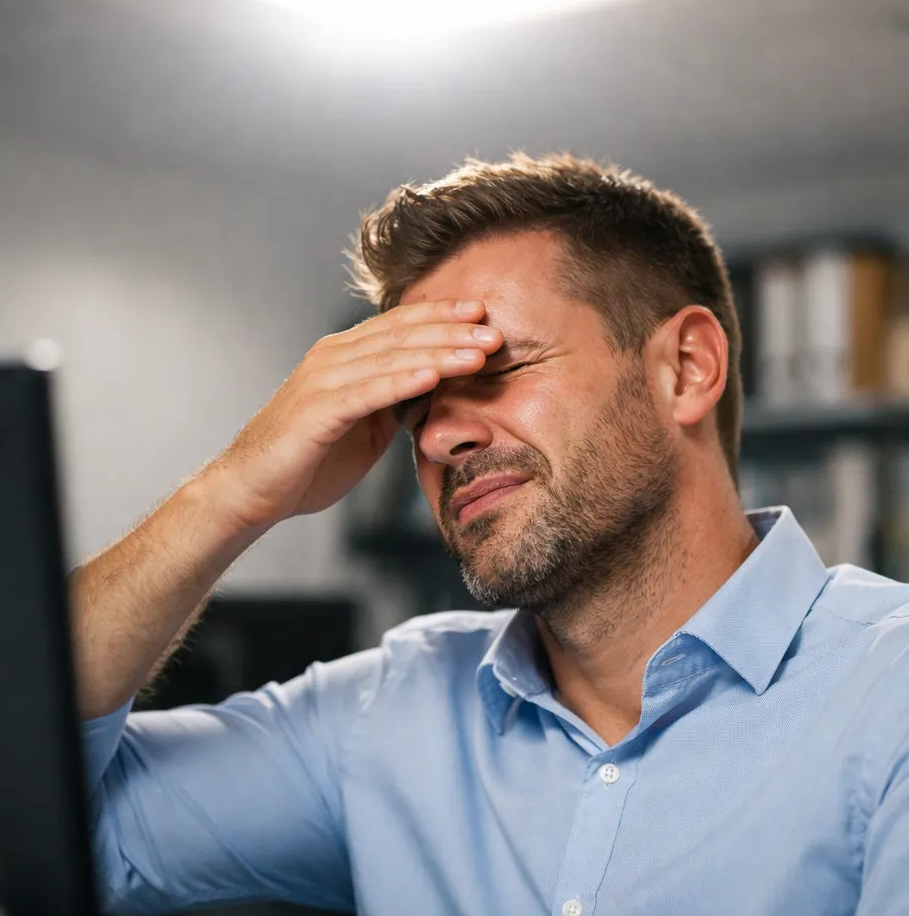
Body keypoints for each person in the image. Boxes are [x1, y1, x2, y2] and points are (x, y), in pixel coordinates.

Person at [74, 153, 909, 916]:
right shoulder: (384, 713)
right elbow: (43, 826)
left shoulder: (888, 689)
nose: (440, 438)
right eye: (414, 410)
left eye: (496, 369)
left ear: (686, 369)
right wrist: (231, 493)